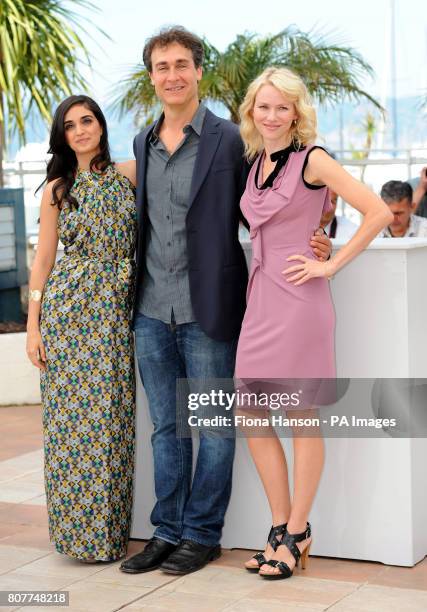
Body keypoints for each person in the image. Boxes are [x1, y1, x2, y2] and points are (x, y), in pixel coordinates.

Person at [119, 26, 333, 577]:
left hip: (210, 307)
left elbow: (277, 197)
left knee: (216, 425)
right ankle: (165, 531)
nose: (172, 74)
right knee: (166, 427)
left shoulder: (230, 139)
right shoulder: (142, 142)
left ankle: (201, 535)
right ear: (152, 76)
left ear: (197, 72)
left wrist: (321, 232)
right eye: (162, 66)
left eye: (182, 64)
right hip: (149, 309)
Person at [234, 67, 392, 580]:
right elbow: (311, 217)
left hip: (301, 303)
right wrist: (321, 229)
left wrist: (329, 261)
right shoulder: (255, 161)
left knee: (302, 419)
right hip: (260, 302)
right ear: (252, 112)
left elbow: (378, 212)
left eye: (283, 107)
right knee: (252, 417)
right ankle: (280, 529)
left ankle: (298, 530)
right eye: (264, 107)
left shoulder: (313, 159)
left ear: (297, 112)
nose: (273, 115)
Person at [26, 95, 137, 562]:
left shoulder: (130, 173)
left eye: (87, 120)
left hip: (115, 309)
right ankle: (75, 538)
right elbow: (45, 257)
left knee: (112, 422)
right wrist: (33, 325)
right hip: (68, 311)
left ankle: (109, 536)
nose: (80, 130)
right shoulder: (57, 188)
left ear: (101, 126)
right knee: (70, 427)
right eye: (70, 125)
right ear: (63, 136)